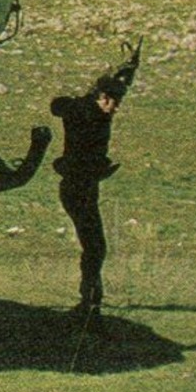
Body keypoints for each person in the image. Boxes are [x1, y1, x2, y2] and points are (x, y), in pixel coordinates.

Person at [49, 38, 142, 320]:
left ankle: (91, 301)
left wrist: (128, 69)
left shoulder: (95, 112)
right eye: (112, 103)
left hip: (84, 186)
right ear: (101, 98)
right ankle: (89, 302)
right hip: (78, 188)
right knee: (96, 246)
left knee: (95, 246)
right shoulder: (84, 113)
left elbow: (62, 105)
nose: (115, 110)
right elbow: (59, 106)